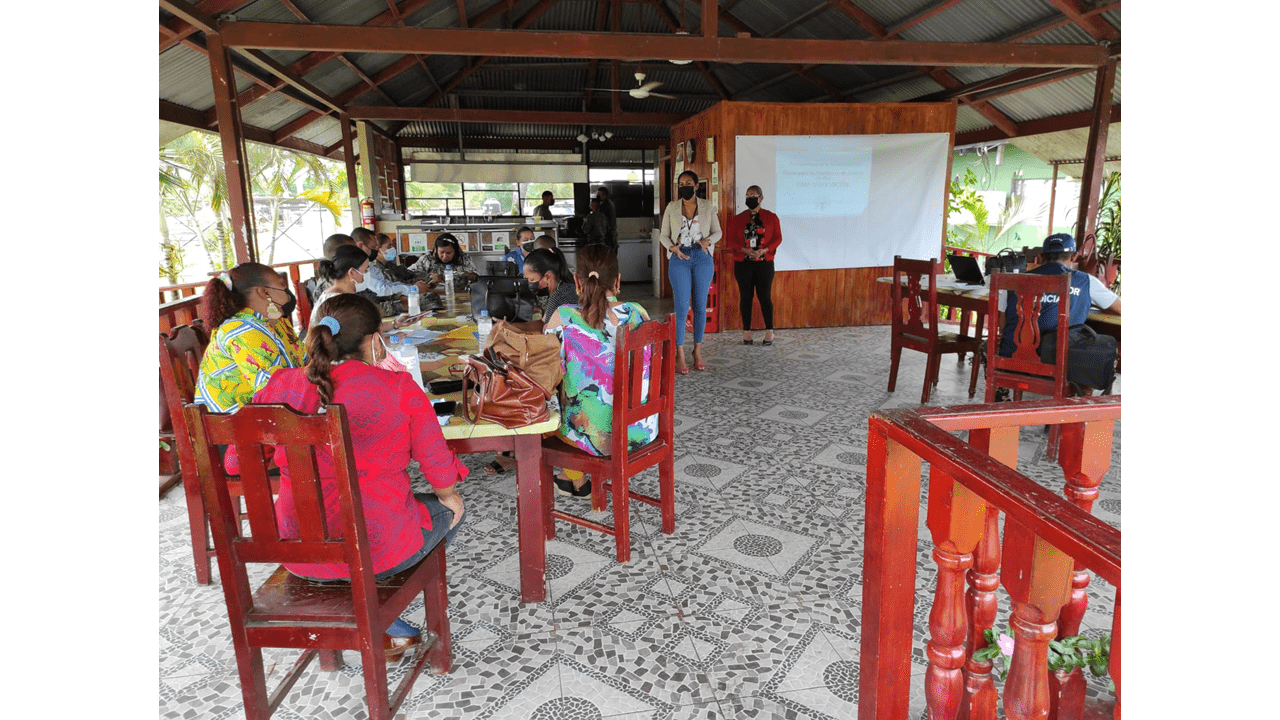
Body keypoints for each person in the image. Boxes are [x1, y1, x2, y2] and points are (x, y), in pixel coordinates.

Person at [229, 293, 467, 655]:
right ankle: (380, 611)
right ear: (373, 342)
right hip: (378, 550)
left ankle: (367, 610)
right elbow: (441, 474)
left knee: (344, 525)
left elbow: (234, 463)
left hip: (298, 553)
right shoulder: (397, 388)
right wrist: (449, 497)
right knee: (452, 511)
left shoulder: (282, 385)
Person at [542, 244, 658, 496]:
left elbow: (546, 375)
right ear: (617, 281)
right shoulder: (638, 313)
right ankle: (574, 476)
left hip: (595, 437)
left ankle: (573, 472)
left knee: (556, 401)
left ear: (576, 281)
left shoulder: (563, 318)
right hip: (641, 430)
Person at [997, 233, 1121, 395]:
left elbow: (1002, 324)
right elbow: (1120, 308)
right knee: (1091, 351)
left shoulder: (1014, 280)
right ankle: (1073, 410)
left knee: (992, 344)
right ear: (1074, 256)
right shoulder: (1085, 281)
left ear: (1041, 257)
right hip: (1057, 361)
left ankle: (1001, 392)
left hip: (1011, 356)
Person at [195, 263, 306, 413]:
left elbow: (301, 359)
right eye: (282, 286)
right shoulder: (242, 331)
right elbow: (276, 391)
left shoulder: (273, 321)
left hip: (264, 414)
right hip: (232, 425)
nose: (288, 294)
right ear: (264, 293)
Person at [659, 170, 722, 374]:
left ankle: (697, 350)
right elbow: (664, 235)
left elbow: (717, 231)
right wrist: (672, 248)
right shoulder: (672, 207)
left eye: (688, 182)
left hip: (702, 256)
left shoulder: (707, 206)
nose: (684, 186)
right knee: (681, 306)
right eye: (681, 183)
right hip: (680, 258)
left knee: (700, 306)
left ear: (696, 185)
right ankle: (680, 354)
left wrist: (707, 241)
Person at [726, 185, 783, 346]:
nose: (750, 198)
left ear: (761, 198)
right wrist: (744, 250)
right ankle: (747, 333)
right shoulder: (738, 219)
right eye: (747, 195)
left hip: (764, 263)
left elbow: (778, 238)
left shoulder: (771, 217)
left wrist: (764, 250)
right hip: (743, 264)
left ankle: (769, 332)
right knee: (746, 297)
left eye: (753, 195)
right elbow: (730, 240)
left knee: (765, 296)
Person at [409, 233, 479, 287]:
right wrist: (428, 277)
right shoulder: (427, 259)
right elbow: (409, 273)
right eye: (441, 252)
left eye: (449, 253)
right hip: (432, 295)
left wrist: (461, 275)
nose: (445, 256)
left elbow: (476, 277)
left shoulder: (464, 258)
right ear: (436, 250)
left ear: (455, 251)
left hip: (460, 294)